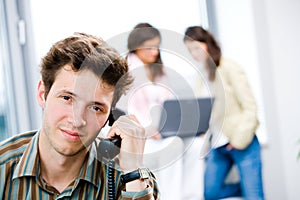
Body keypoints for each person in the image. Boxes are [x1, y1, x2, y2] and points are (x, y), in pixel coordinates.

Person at [0, 32, 159, 200]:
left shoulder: (134, 179)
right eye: (67, 98)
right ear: (42, 94)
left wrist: (132, 171)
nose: (78, 120)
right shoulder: (3, 168)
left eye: (96, 108)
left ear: (110, 117)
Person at [116, 23, 205, 200]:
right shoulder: (128, 70)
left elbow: (166, 104)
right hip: (143, 135)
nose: (154, 51)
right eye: (149, 46)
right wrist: (149, 129)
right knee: (174, 145)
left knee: (196, 145)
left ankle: (192, 196)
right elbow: (124, 110)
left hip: (162, 131)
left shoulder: (158, 70)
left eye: (156, 46)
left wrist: (178, 124)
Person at [184, 26, 264, 200]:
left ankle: (251, 190)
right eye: (190, 50)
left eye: (196, 47)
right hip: (217, 145)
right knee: (210, 194)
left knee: (254, 196)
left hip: (241, 141)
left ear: (207, 43)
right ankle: (246, 188)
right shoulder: (200, 76)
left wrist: (238, 139)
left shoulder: (229, 67)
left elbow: (250, 107)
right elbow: (206, 111)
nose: (194, 53)